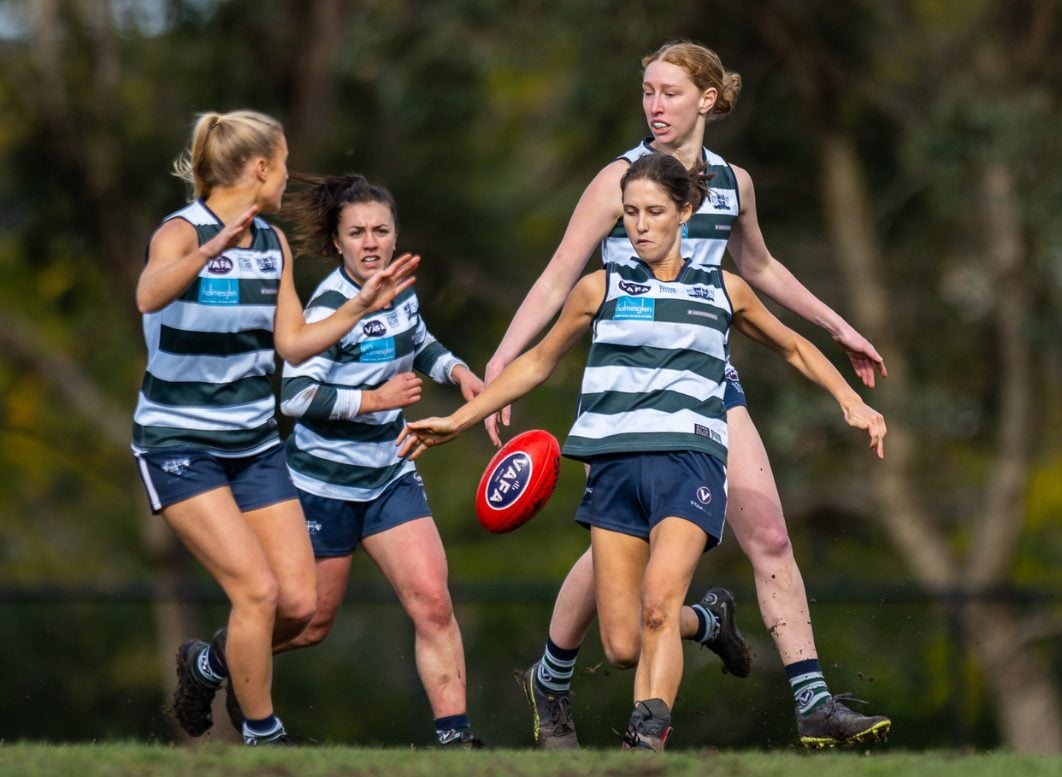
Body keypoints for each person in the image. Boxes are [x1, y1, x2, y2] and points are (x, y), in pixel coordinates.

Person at [398, 152, 886, 752]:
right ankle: (707, 622)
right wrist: (458, 419)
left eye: (654, 211)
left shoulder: (723, 289)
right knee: (623, 643)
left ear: (685, 213)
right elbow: (538, 363)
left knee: (658, 606)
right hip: (613, 466)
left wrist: (849, 400)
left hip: (690, 462)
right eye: (630, 213)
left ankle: (644, 742)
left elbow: (792, 347)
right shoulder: (599, 288)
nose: (640, 224)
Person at [131, 111, 416, 746]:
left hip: (254, 445)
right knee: (255, 591)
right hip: (180, 445)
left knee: (299, 603)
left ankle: (206, 667)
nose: (288, 177)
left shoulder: (272, 244)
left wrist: (358, 306)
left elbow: (293, 344)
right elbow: (149, 295)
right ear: (261, 168)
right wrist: (208, 252)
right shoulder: (181, 232)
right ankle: (265, 736)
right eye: (283, 164)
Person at [267, 173, 485, 748]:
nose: (371, 243)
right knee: (310, 624)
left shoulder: (399, 287)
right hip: (322, 485)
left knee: (433, 602)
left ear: (395, 235)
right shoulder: (329, 306)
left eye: (381, 231)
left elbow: (420, 341)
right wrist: (375, 400)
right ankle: (221, 658)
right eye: (357, 232)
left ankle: (456, 742)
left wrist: (459, 371)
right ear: (337, 242)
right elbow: (295, 397)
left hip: (390, 474)